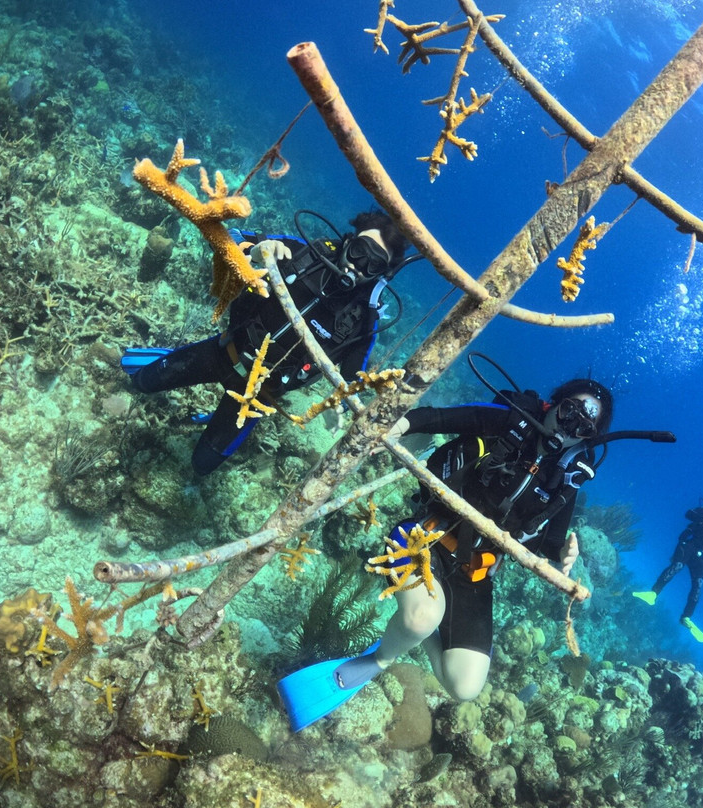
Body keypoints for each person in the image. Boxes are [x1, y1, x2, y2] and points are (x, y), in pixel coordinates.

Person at [277, 376, 617, 730]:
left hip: (476, 572)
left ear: (588, 438)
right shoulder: (510, 419)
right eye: (569, 411)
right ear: (553, 403)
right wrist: (397, 427)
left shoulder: (565, 479)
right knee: (420, 618)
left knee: (464, 686)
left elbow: (539, 542)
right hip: (424, 537)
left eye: (583, 425)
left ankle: (418, 633)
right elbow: (441, 417)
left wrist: (562, 550)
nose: (569, 426)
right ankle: (380, 658)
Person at [123, 210, 410, 475]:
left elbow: (352, 381)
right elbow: (228, 238)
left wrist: (339, 406)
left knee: (202, 466)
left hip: (260, 394)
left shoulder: (363, 319)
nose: (357, 266)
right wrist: (255, 251)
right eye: (359, 251)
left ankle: (217, 417)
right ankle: (167, 358)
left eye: (372, 264)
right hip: (224, 351)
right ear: (349, 241)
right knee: (141, 383)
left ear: (382, 274)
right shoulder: (305, 254)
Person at [632, 498, 703, 645]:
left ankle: (686, 617)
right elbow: (688, 514)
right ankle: (653, 593)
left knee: (698, 585)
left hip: (700, 556)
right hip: (688, 545)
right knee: (677, 566)